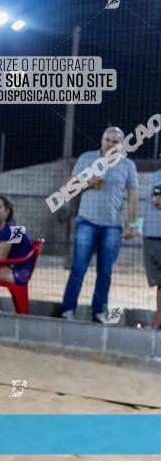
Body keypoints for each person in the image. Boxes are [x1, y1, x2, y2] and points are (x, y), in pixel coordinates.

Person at [60, 127, 138, 323]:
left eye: (115, 141)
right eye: (107, 139)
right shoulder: (87, 158)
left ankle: (99, 312)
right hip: (86, 222)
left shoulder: (128, 165)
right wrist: (87, 181)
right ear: (101, 140)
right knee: (78, 268)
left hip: (113, 227)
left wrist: (133, 224)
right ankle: (68, 309)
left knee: (105, 272)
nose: (110, 144)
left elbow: (134, 197)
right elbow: (69, 189)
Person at [142, 171, 161, 330]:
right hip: (152, 235)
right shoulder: (155, 176)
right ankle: (158, 321)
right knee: (159, 283)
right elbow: (155, 201)